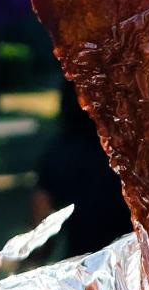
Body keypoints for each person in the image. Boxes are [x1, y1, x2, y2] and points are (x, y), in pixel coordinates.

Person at [32, 73, 132, 260]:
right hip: (139, 272)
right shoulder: (137, 154)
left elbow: (40, 238)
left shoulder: (57, 153)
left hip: (83, 273)